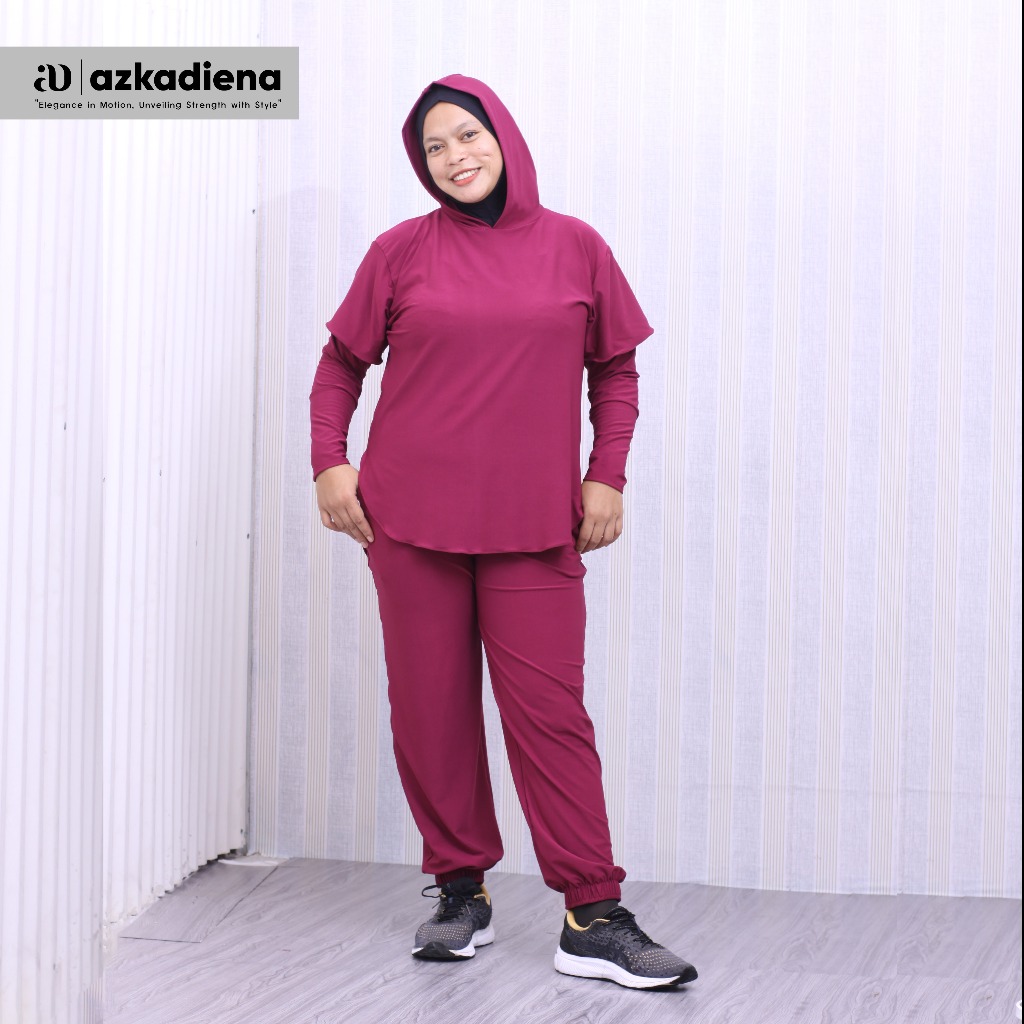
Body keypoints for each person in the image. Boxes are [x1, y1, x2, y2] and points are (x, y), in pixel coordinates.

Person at [309, 74, 697, 991]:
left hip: (533, 524)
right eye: (435, 147)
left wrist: (606, 475)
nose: (455, 157)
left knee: (551, 717)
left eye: (467, 135)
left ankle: (592, 914)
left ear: (504, 137)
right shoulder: (399, 251)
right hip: (409, 521)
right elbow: (340, 364)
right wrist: (330, 462)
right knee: (430, 710)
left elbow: (616, 371)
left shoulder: (576, 246)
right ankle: (460, 890)